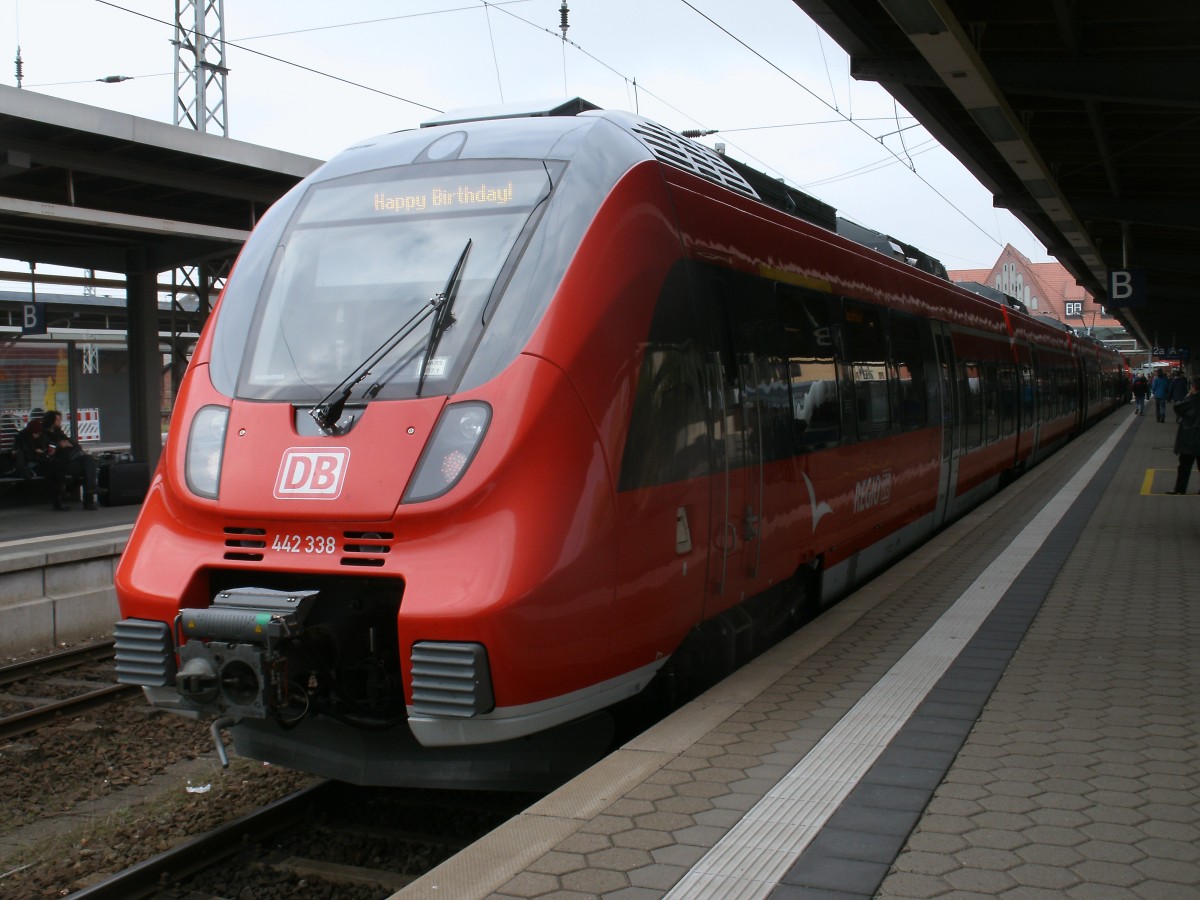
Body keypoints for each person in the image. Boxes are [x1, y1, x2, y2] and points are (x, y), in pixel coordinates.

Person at [40, 409, 98, 511]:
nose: (60, 422)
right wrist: (60, 445)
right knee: (86, 468)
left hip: (69, 460)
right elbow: (48, 450)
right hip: (58, 462)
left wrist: (66, 444)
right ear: (51, 421)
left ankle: (89, 492)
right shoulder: (43, 435)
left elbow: (74, 444)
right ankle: (90, 494)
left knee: (88, 461)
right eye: (58, 420)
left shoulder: (59, 433)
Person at [1166, 376, 1200, 495]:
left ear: (1194, 388)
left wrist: (1189, 395)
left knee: (1184, 466)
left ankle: (1180, 488)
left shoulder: (1191, 399)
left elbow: (1178, 407)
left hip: (1189, 438)